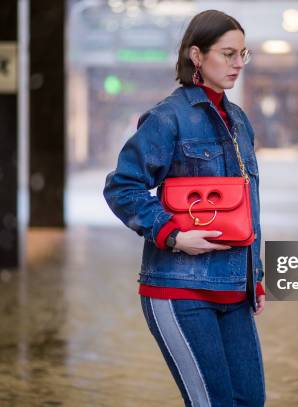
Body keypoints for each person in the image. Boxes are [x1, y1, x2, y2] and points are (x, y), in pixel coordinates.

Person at [103, 10, 265, 406]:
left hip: (233, 291)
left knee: (251, 401)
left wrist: (254, 276)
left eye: (243, 53)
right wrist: (173, 235)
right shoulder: (167, 118)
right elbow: (122, 187)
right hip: (179, 287)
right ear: (197, 55)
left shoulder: (240, 121)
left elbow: (247, 207)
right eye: (228, 54)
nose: (238, 63)